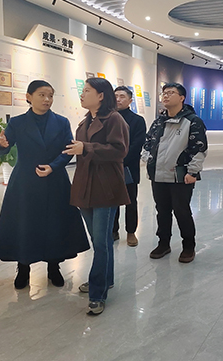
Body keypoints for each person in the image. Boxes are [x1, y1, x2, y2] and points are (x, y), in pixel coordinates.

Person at [0, 80, 89, 289]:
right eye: (42, 95)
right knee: (25, 223)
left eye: (50, 96)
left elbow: (68, 150)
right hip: (25, 181)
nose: (47, 99)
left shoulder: (61, 122)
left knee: (54, 223)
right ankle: (23, 267)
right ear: (29, 97)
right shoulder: (17, 123)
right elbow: (1, 148)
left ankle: (54, 266)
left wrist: (53, 166)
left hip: (55, 179)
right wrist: (0, 144)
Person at [63, 77, 129, 315]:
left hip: (105, 187)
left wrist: (87, 148)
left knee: (101, 242)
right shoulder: (84, 122)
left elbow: (120, 150)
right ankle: (106, 279)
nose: (82, 94)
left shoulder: (114, 119)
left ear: (101, 95)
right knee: (99, 241)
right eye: (83, 90)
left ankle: (97, 293)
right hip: (84, 187)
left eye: (87, 90)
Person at [142, 83, 207, 263]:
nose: (166, 96)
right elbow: (148, 142)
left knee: (182, 211)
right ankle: (163, 243)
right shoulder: (158, 121)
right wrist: (148, 159)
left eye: (171, 93)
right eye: (164, 93)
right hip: (158, 175)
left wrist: (193, 171)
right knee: (162, 211)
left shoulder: (192, 121)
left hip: (181, 175)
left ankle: (188, 246)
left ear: (181, 98)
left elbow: (199, 149)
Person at [113, 86, 146, 247]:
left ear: (130, 101)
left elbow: (136, 145)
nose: (118, 99)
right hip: (109, 168)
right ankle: (113, 230)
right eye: (116, 96)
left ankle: (131, 232)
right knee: (111, 201)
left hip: (129, 168)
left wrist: (120, 160)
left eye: (122, 96)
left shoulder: (137, 120)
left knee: (130, 201)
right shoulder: (107, 118)